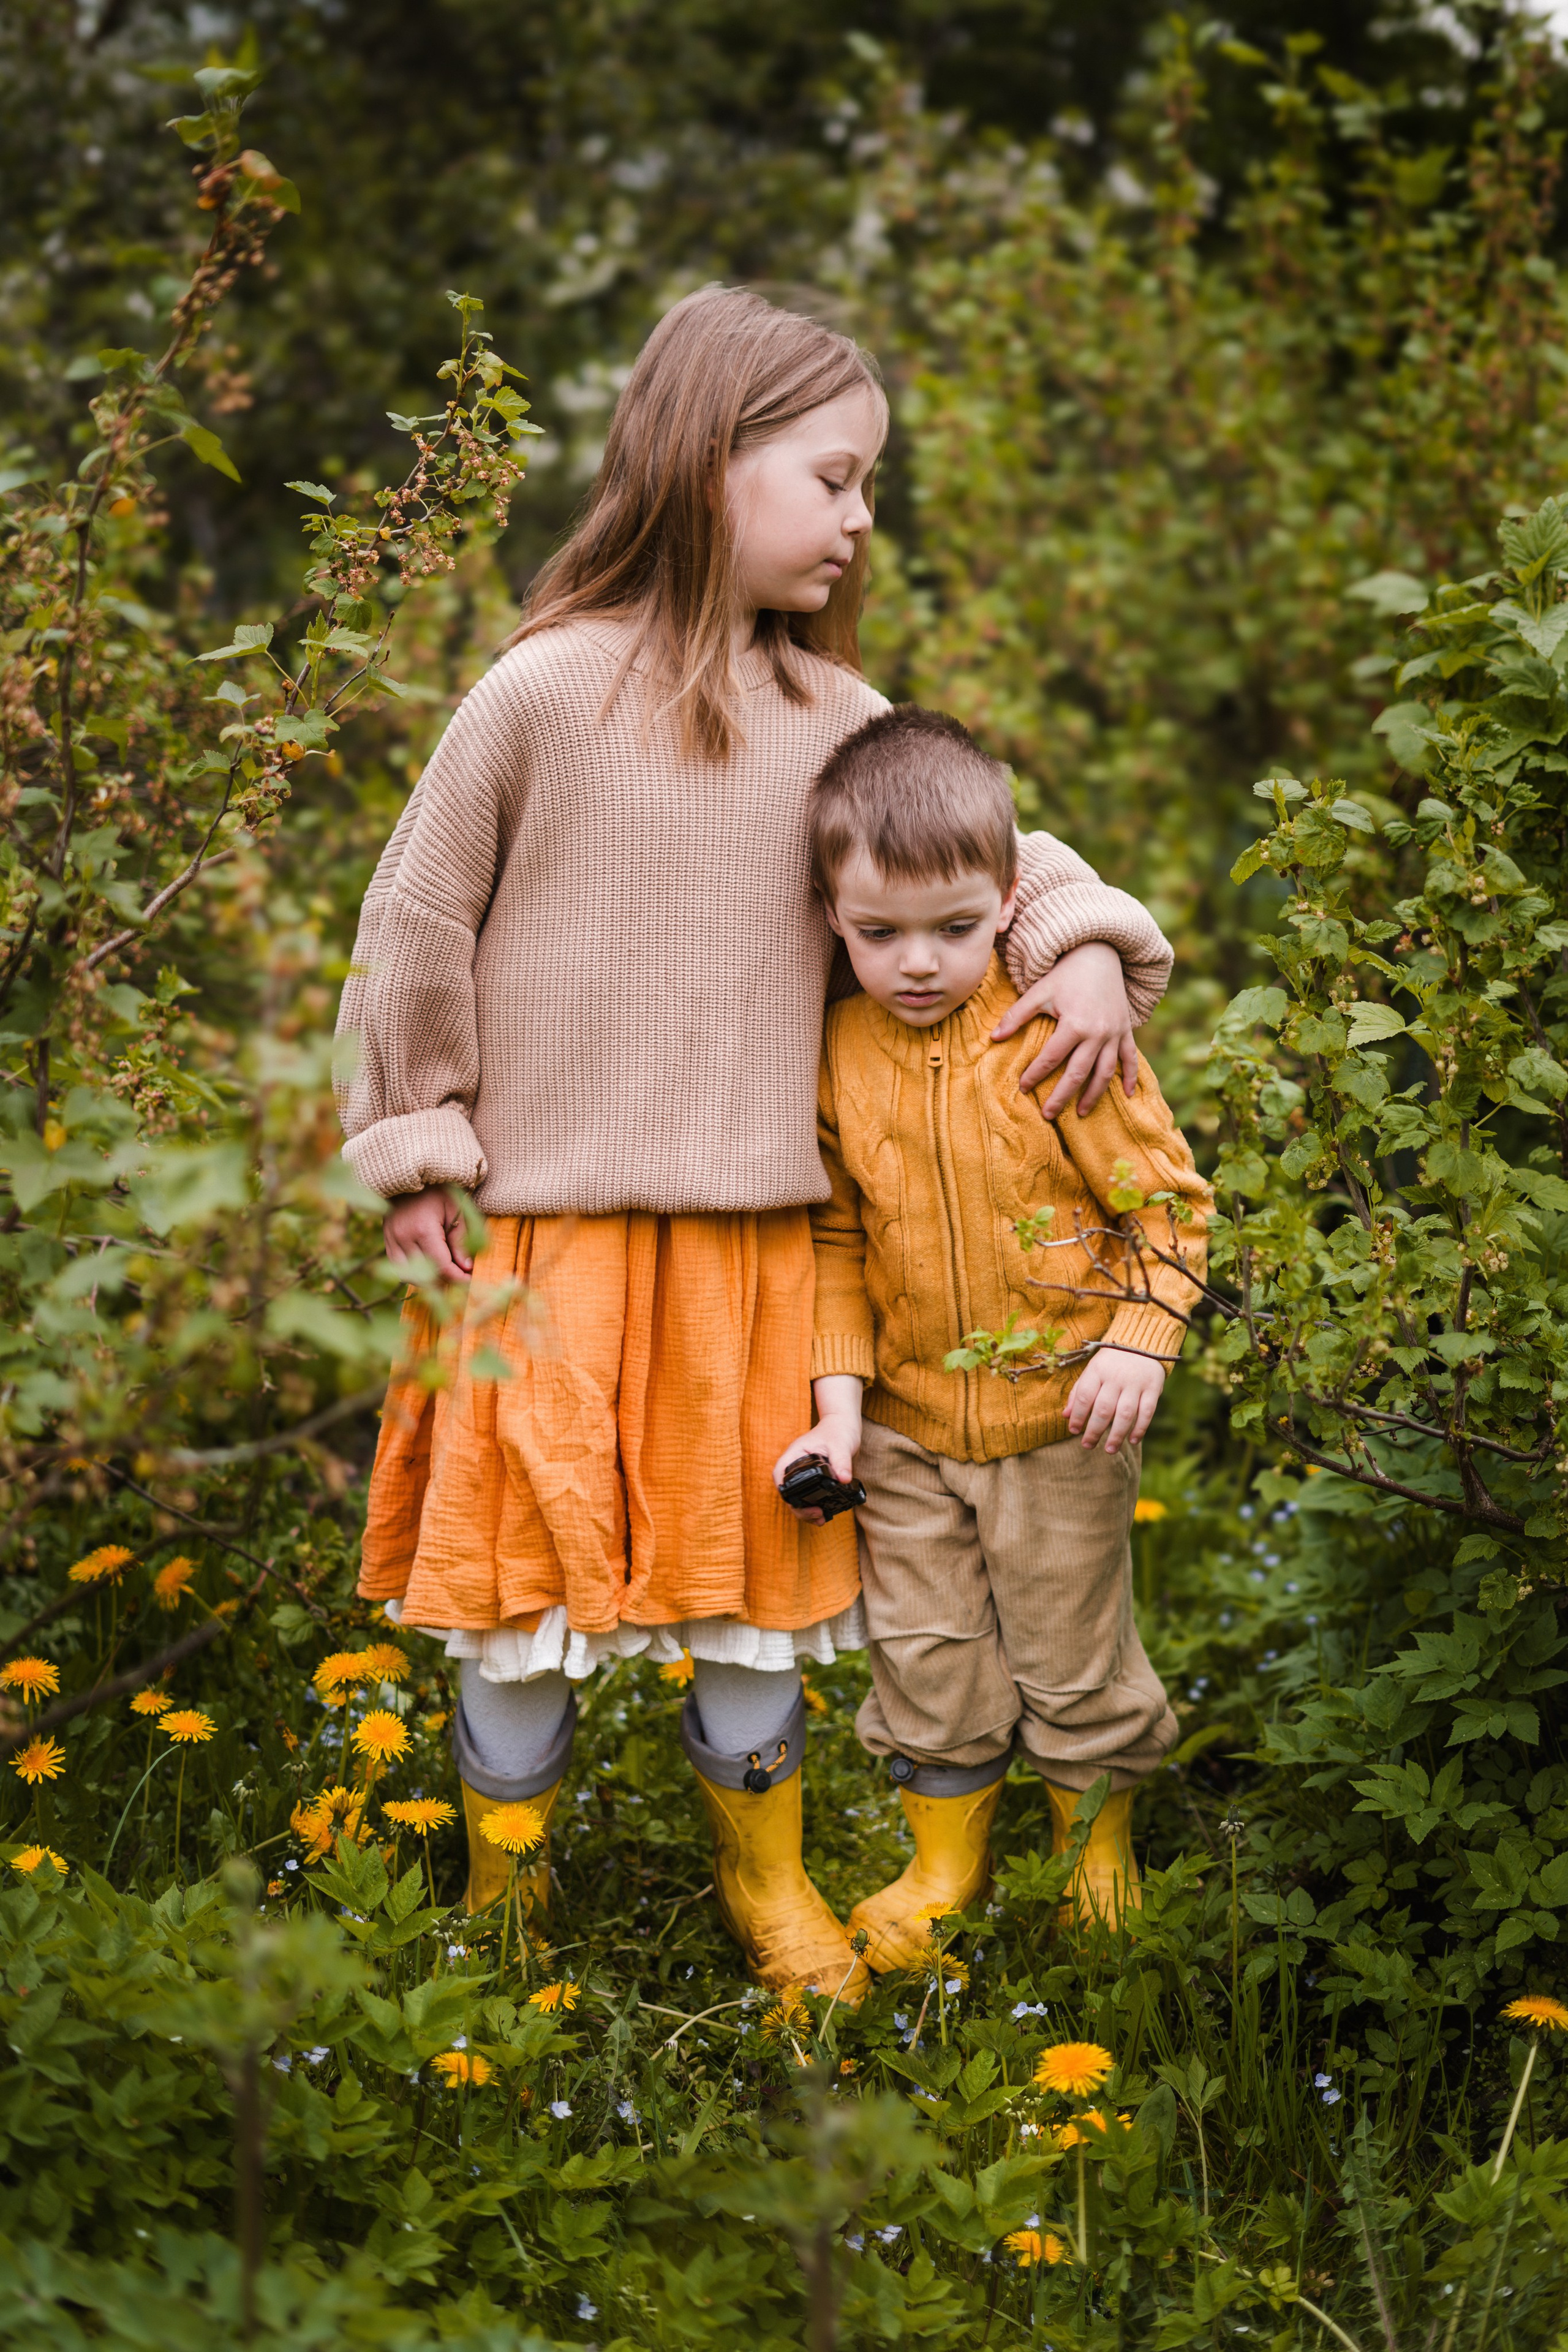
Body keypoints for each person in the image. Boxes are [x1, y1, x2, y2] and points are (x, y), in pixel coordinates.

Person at [336, 286, 1175, 2002]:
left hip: (766, 1247)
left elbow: (988, 858)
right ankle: (508, 1897)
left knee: (761, 1599)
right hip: (538, 1244)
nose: (866, 517)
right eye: (839, 475)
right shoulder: (540, 693)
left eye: (872, 484)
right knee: (519, 1599)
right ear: (709, 461)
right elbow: (414, 918)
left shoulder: (830, 716)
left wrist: (1083, 933)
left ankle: (768, 1885)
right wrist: (419, 1144)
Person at [775, 705, 1210, 1966]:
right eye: (877, 933)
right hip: (905, 1428)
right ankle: (941, 1865)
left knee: (1071, 1648)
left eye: (954, 930)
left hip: (1063, 1417)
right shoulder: (835, 1052)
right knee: (923, 1654)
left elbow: (1167, 1202)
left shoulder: (1054, 1027)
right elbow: (835, 1242)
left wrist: (1138, 1336)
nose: (916, 962)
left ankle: (1096, 1860)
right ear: (829, 917)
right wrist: (840, 1403)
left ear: (1010, 900)